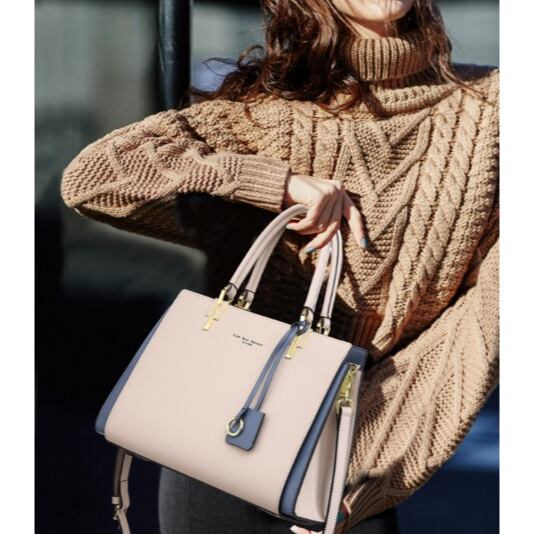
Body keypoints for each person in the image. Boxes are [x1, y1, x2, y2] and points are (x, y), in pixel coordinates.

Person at [60, 0, 499, 533]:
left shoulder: (491, 112)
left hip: (348, 464)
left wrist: (362, 465)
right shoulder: (265, 109)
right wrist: (278, 185)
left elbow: (484, 321)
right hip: (213, 442)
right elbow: (94, 178)